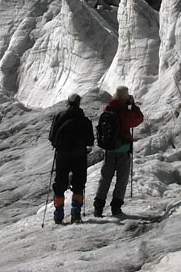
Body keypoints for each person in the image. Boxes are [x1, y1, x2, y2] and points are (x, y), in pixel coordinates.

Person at [93, 86, 144, 217]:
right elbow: (139, 119)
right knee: (121, 178)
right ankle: (116, 207)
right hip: (123, 149)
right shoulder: (124, 113)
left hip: (109, 149)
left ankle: (98, 206)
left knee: (105, 177)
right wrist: (132, 106)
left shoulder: (108, 109)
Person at [48, 93, 94, 224]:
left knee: (60, 184)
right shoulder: (85, 120)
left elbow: (52, 137)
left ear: (68, 102)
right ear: (79, 103)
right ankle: (75, 214)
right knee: (78, 184)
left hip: (62, 155)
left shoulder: (59, 116)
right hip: (79, 155)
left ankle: (58, 214)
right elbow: (90, 140)